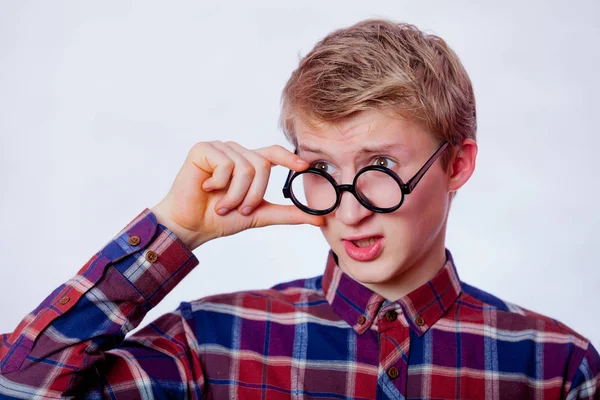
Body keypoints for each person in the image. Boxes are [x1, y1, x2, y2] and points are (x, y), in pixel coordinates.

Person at [0, 18, 598, 400]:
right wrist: (173, 231)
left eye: (381, 168)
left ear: (457, 165)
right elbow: (17, 388)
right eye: (319, 171)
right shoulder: (209, 344)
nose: (349, 212)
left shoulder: (557, 368)